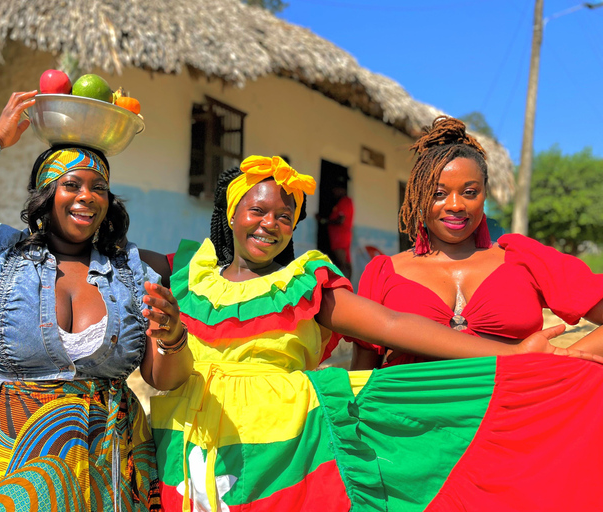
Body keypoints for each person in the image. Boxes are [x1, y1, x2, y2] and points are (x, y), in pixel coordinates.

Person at [139, 155, 603, 511]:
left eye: (286, 217)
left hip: (279, 447)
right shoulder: (184, 274)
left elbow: (393, 325)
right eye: (257, 210)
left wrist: (514, 357)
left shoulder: (303, 286)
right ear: (230, 211)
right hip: (185, 434)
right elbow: (104, 251)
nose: (270, 225)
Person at [0, 91, 193, 512]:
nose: (88, 195)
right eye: (72, 184)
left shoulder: (133, 271)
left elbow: (164, 379)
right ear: (46, 193)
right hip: (9, 475)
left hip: (112, 473)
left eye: (99, 187)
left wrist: (173, 338)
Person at [350, 116, 603, 370]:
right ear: (418, 196)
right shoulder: (383, 273)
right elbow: (362, 372)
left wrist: (561, 364)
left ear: (484, 194)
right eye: (438, 193)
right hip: (407, 408)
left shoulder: (522, 256)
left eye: (470, 192)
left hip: (516, 405)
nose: (456, 205)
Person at [318, 172, 354, 280]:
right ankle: (348, 287)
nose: (334, 192)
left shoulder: (344, 201)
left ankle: (345, 287)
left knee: (342, 264)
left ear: (341, 190)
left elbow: (340, 221)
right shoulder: (343, 202)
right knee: (345, 263)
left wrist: (323, 221)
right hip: (341, 237)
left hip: (340, 238)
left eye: (336, 189)